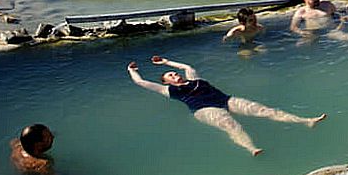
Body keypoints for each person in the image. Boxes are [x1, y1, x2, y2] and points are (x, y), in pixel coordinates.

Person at [127, 55, 326, 156]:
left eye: (173, 73)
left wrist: (166, 62)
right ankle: (252, 148)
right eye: (169, 76)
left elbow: (187, 67)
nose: (174, 75)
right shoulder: (168, 91)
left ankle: (306, 121)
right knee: (230, 124)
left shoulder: (193, 78)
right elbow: (141, 82)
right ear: (166, 82)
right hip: (203, 110)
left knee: (263, 110)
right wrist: (132, 71)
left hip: (224, 99)